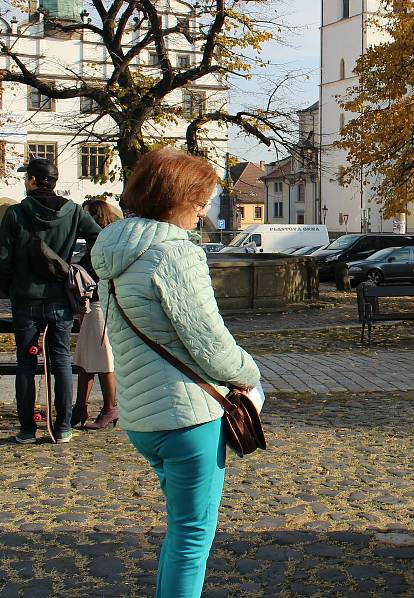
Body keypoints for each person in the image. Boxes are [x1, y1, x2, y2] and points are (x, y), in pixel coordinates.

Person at [91, 147, 261, 597]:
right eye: (200, 200)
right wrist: (248, 371)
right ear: (173, 198)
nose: (204, 211)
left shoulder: (113, 253)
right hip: (188, 419)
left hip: (143, 418)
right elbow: (209, 341)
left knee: (181, 529)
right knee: (192, 537)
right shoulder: (174, 254)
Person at [0, 158, 101, 444]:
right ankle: (63, 427)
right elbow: (101, 238)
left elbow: (3, 259)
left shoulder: (16, 214)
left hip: (25, 299)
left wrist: (10, 287)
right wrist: (79, 269)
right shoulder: (73, 211)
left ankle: (28, 430)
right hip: (60, 297)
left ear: (32, 180)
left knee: (25, 363)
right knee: (60, 361)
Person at [71, 200, 119, 430]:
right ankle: (80, 406)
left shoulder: (103, 245)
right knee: (86, 360)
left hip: (100, 306)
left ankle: (110, 407)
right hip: (93, 308)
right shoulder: (99, 244)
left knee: (102, 359)